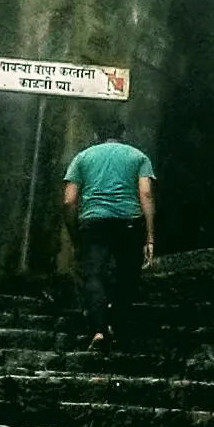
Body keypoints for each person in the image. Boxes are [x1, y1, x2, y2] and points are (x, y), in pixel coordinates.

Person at [60, 110, 155, 348]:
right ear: (123, 134)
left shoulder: (82, 158)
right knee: (127, 276)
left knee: (95, 276)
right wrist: (150, 236)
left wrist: (75, 234)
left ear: (96, 135)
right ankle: (119, 327)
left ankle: (99, 330)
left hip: (94, 223)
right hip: (129, 223)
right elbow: (145, 193)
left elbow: (69, 200)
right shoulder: (138, 157)